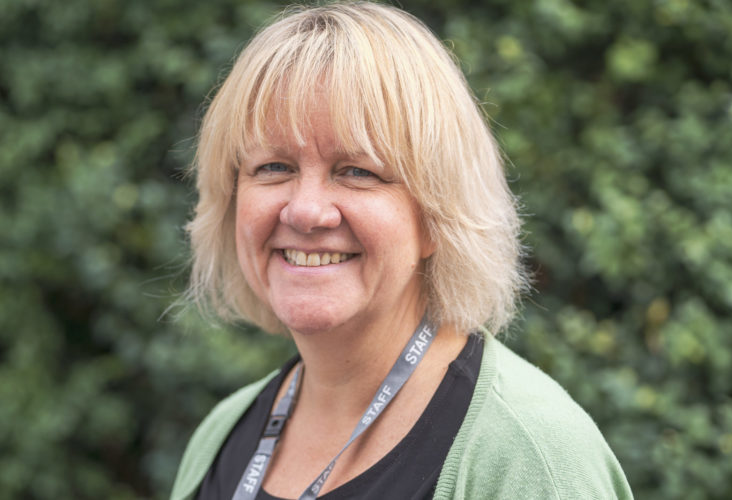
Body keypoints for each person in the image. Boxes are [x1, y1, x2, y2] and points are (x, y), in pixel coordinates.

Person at [171, 2, 632, 498]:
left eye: (357, 171)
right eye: (273, 167)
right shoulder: (220, 438)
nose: (305, 212)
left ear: (437, 217)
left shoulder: (529, 457)